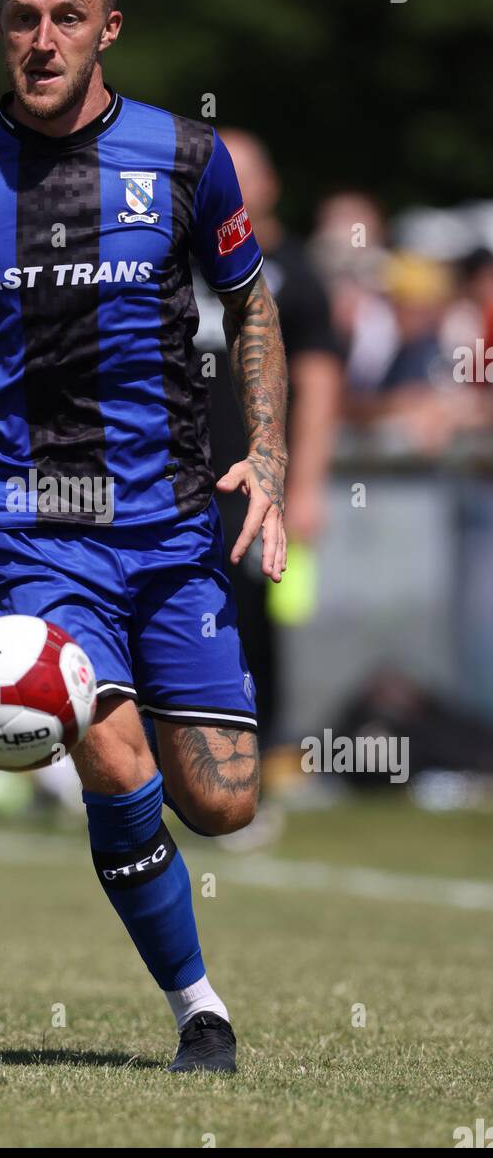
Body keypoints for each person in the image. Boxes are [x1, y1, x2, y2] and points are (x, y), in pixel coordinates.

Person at [0, 0, 288, 1075]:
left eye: (67, 16)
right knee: (113, 761)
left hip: (168, 523)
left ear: (107, 26)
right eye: (22, 17)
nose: (42, 38)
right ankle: (198, 1011)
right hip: (26, 520)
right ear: (0, 26)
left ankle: (143, 833)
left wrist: (265, 458)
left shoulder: (185, 155)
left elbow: (251, 305)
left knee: (217, 801)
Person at [202, 130, 344, 748]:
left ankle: (261, 749)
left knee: (253, 623)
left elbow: (320, 386)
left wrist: (306, 485)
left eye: (241, 174)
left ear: (269, 187)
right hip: (172, 479)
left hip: (256, 484)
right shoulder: (180, 261)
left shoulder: (297, 276)